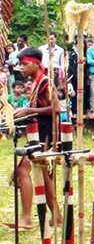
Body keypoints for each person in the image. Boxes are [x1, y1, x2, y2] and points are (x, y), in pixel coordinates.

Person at [7, 47, 61, 229]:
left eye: (24, 64)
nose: (21, 68)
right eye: (19, 64)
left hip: (44, 134)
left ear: (36, 64)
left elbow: (56, 109)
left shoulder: (46, 82)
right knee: (44, 177)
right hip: (36, 133)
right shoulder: (36, 83)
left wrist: (30, 110)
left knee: (22, 171)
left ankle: (26, 218)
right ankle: (57, 216)